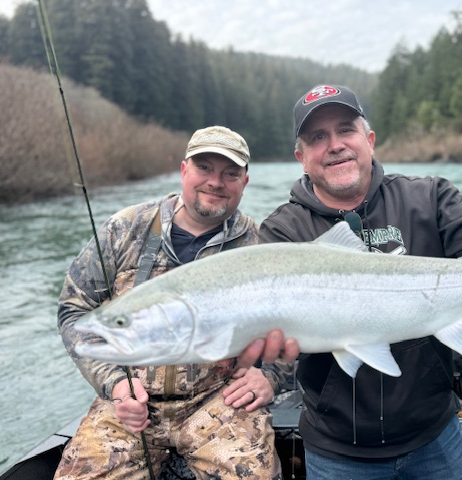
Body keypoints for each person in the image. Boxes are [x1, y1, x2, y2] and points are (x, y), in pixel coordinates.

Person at [258, 85, 462, 479]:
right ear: (302, 158)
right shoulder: (281, 233)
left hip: (435, 439)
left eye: (346, 130)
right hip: (337, 451)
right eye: (318, 137)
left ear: (369, 140)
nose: (335, 145)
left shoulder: (429, 197)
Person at [55, 126, 297, 480]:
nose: (215, 182)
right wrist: (115, 385)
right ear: (184, 170)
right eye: (204, 168)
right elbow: (74, 310)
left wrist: (272, 377)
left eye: (230, 173)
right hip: (126, 407)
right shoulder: (124, 230)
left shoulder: (260, 246)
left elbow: (302, 323)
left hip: (222, 402)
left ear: (245, 182)